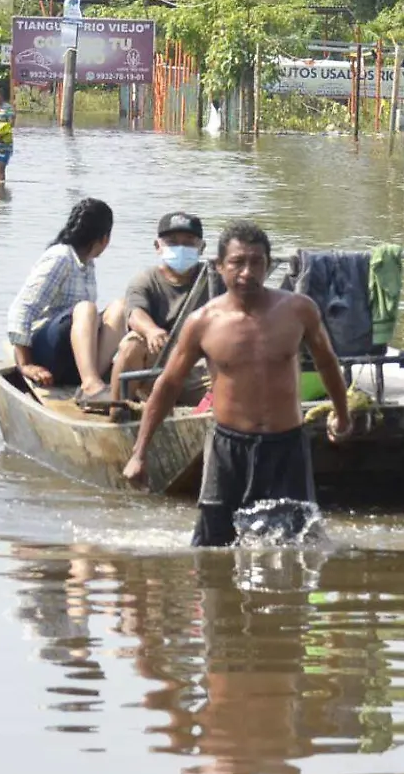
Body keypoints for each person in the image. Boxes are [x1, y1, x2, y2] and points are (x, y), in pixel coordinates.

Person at [123, 221, 351, 548]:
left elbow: (328, 363)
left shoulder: (299, 310)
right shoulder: (202, 322)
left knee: (294, 548)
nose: (247, 272)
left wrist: (342, 415)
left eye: (256, 262)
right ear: (219, 267)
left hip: (285, 447)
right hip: (228, 448)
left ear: (268, 266)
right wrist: (139, 453)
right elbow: (169, 384)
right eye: (237, 263)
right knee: (212, 549)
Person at [6, 197, 127, 400]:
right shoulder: (60, 257)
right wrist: (25, 364)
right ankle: (90, 384)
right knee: (86, 309)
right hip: (47, 353)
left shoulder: (87, 264)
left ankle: (91, 378)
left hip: (72, 356)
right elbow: (21, 309)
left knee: (120, 308)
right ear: (105, 239)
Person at [109, 211, 224, 399]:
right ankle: (118, 412)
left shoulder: (216, 279)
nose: (181, 248)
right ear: (158, 246)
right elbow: (135, 313)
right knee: (132, 344)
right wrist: (151, 330)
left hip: (201, 369)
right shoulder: (145, 280)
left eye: (189, 242)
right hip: (157, 368)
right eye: (172, 242)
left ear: (201, 247)